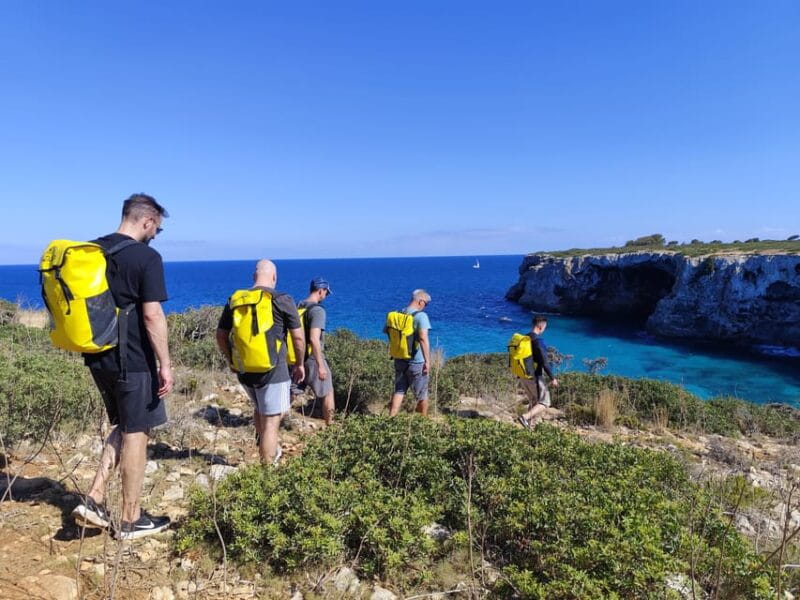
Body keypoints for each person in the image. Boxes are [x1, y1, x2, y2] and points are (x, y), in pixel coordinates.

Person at [71, 193, 174, 540]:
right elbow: (152, 314)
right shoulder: (146, 257)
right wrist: (165, 364)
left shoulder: (92, 251)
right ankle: (130, 520)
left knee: (124, 424)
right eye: (156, 229)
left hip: (98, 356)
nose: (155, 235)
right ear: (146, 221)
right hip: (133, 360)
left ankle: (94, 497)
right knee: (136, 433)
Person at [216, 259, 305, 465]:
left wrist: (231, 359)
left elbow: (221, 335)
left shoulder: (236, 300)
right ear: (274, 277)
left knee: (260, 408)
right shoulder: (282, 299)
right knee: (272, 421)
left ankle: (265, 445)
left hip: (244, 369)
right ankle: (267, 473)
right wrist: (299, 363)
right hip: (274, 370)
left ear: (253, 277)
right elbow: (298, 338)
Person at [294, 277, 335, 425]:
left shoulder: (298, 306)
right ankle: (331, 427)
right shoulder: (317, 311)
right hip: (312, 358)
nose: (326, 296)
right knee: (328, 391)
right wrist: (321, 365)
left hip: (296, 357)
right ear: (320, 291)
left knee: (291, 393)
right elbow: (314, 339)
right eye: (326, 293)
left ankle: (269, 425)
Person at [389, 289, 432, 417]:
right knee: (422, 394)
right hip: (416, 362)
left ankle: (390, 419)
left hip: (399, 358)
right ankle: (423, 423)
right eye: (426, 304)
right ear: (420, 301)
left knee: (399, 390)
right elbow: (423, 338)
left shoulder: (398, 313)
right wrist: (428, 362)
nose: (425, 307)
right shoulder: (421, 316)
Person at [517, 315, 559, 429]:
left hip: (523, 375)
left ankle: (528, 428)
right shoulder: (538, 341)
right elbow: (545, 362)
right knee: (545, 402)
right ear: (541, 327)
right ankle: (524, 418)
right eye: (545, 327)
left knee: (534, 401)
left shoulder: (523, 338)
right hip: (534, 376)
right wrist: (553, 378)